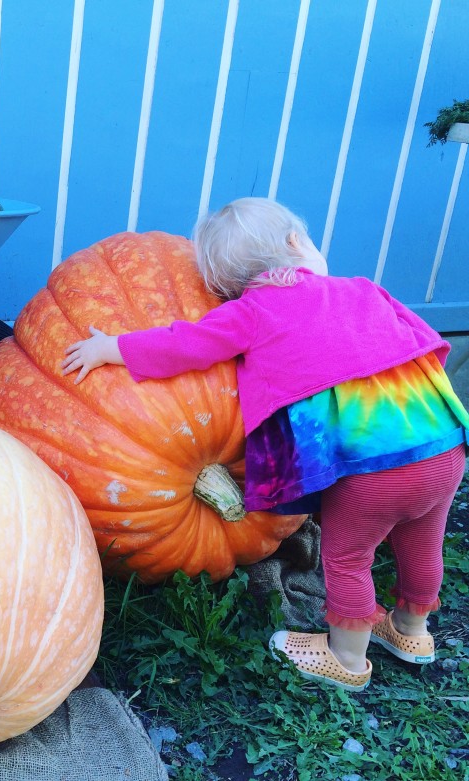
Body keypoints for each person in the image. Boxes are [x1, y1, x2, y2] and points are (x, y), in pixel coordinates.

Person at [61, 197, 469, 692]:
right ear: (298, 243)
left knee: (346, 557)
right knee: (422, 543)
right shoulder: (365, 290)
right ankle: (412, 632)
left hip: (372, 469)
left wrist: (112, 348)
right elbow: (429, 344)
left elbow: (183, 343)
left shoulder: (250, 313)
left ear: (229, 287)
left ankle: (346, 656)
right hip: (443, 446)